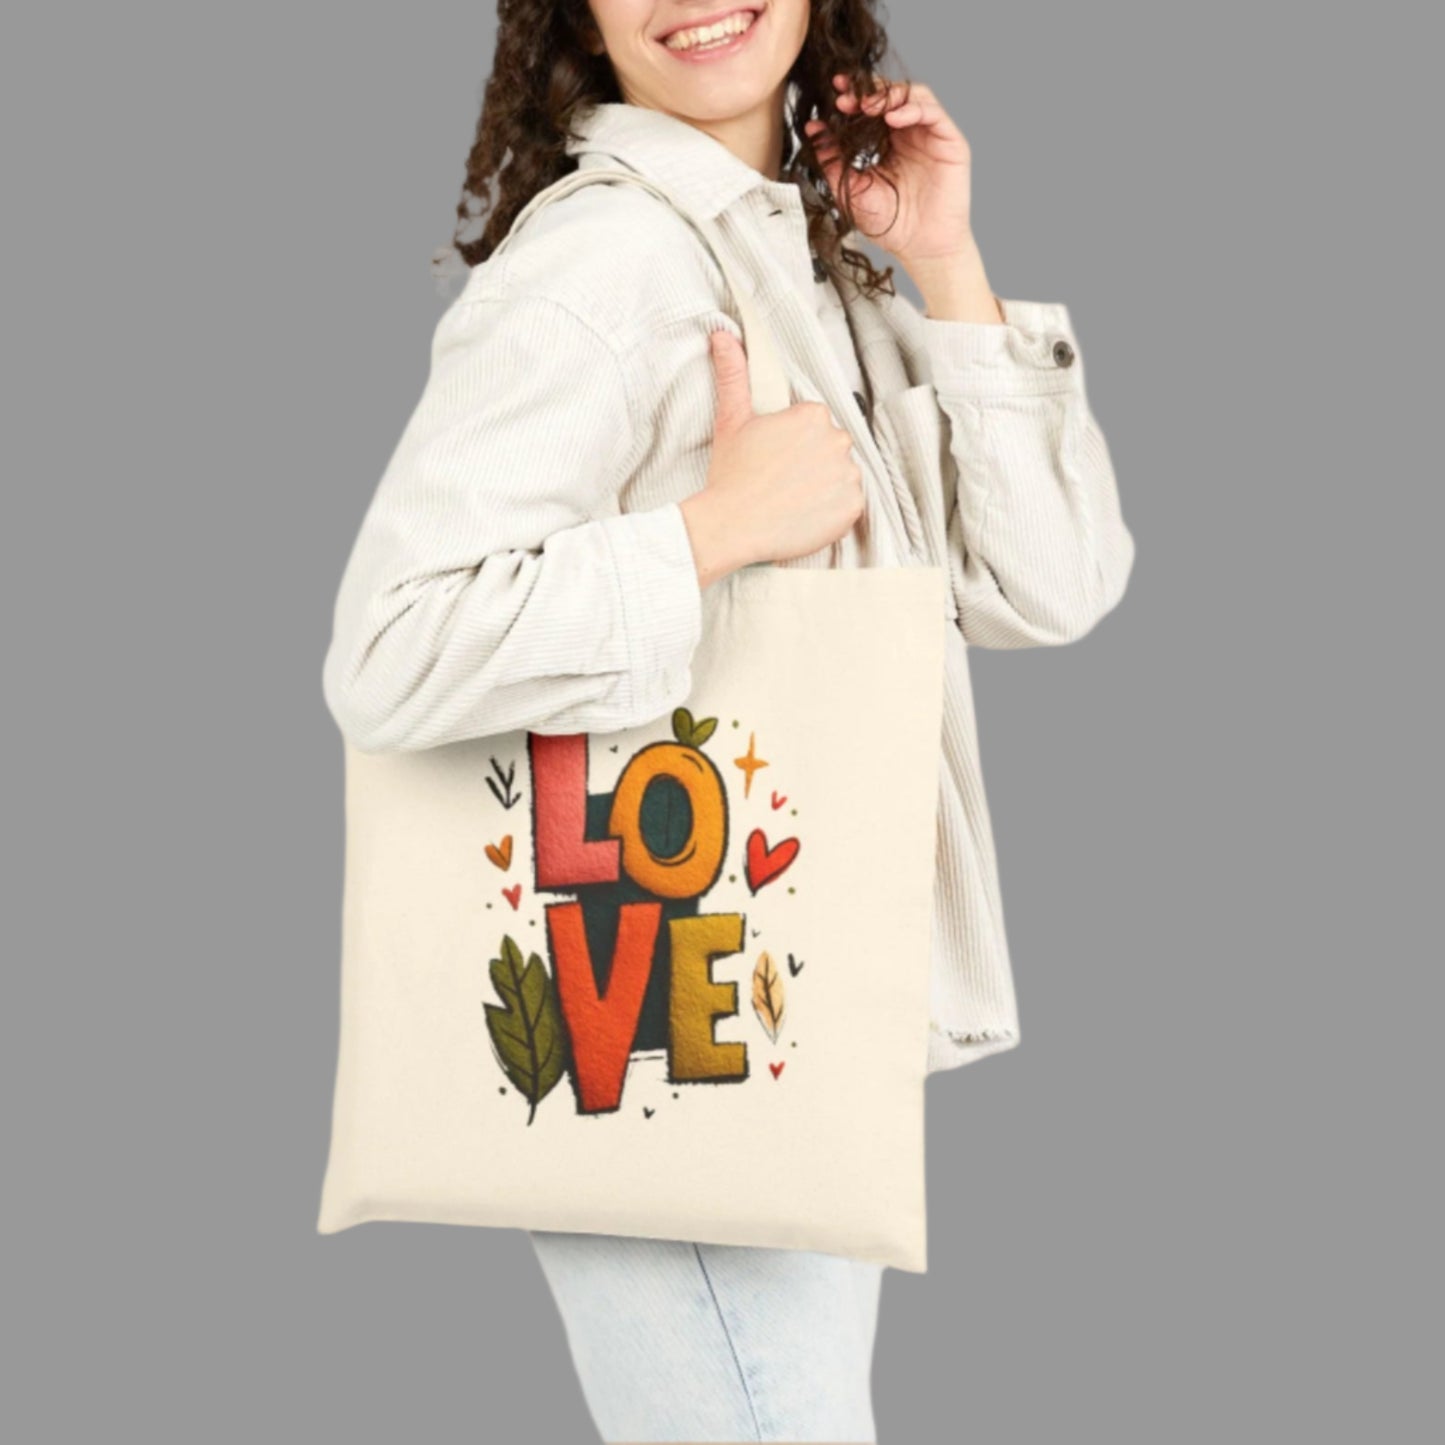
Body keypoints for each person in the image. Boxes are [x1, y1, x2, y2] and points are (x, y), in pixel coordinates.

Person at [320, 2, 1135, 1440]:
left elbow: (1050, 585)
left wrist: (942, 259)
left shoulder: (799, 258)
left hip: (770, 994)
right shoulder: (606, 259)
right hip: (659, 1008)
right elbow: (389, 649)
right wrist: (706, 534)